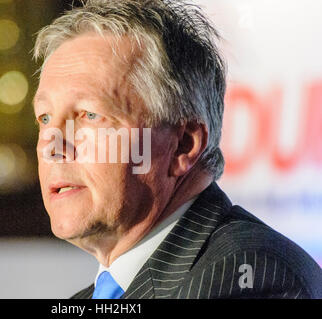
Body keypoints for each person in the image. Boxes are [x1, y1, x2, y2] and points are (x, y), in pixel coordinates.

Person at [32, 0, 322, 299]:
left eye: (89, 115)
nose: (51, 147)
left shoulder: (247, 275)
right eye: (44, 118)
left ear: (183, 145)